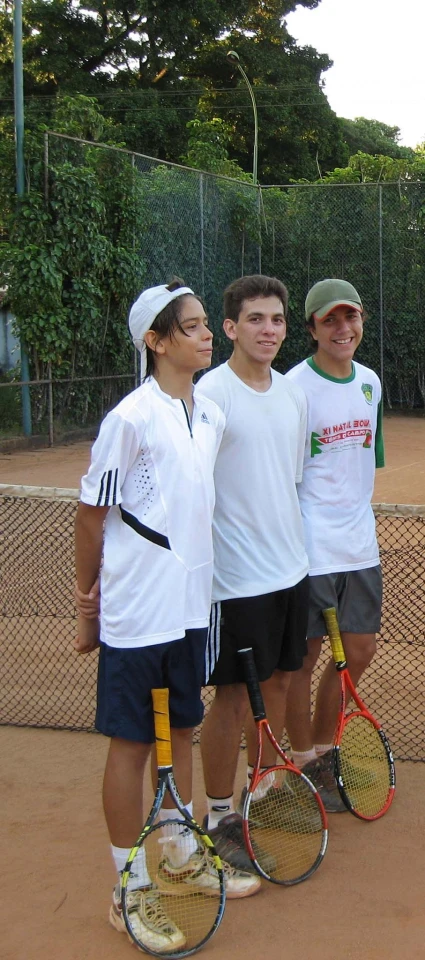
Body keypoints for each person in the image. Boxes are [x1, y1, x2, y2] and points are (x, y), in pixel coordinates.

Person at [74, 279, 260, 951]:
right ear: (155, 342)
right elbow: (91, 517)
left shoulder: (206, 415)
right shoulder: (130, 418)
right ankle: (127, 890)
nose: (206, 334)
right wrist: (87, 604)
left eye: (207, 323)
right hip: (134, 611)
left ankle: (181, 855)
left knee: (180, 726)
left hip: (190, 606)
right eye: (191, 326)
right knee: (131, 745)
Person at [194, 274, 310, 870]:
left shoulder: (292, 394)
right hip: (235, 582)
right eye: (257, 320)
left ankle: (262, 789)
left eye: (277, 320)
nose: (269, 330)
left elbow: (289, 479)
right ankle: (217, 816)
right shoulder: (210, 395)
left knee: (285, 683)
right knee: (235, 700)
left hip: (291, 568)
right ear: (232, 328)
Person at [284, 278, 385, 813]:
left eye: (351, 317)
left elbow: (366, 461)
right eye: (330, 320)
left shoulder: (370, 383)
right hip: (309, 546)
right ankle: (300, 763)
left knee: (360, 651)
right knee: (303, 659)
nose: (343, 328)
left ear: (361, 320)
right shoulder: (292, 387)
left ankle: (326, 752)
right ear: (313, 329)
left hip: (360, 545)